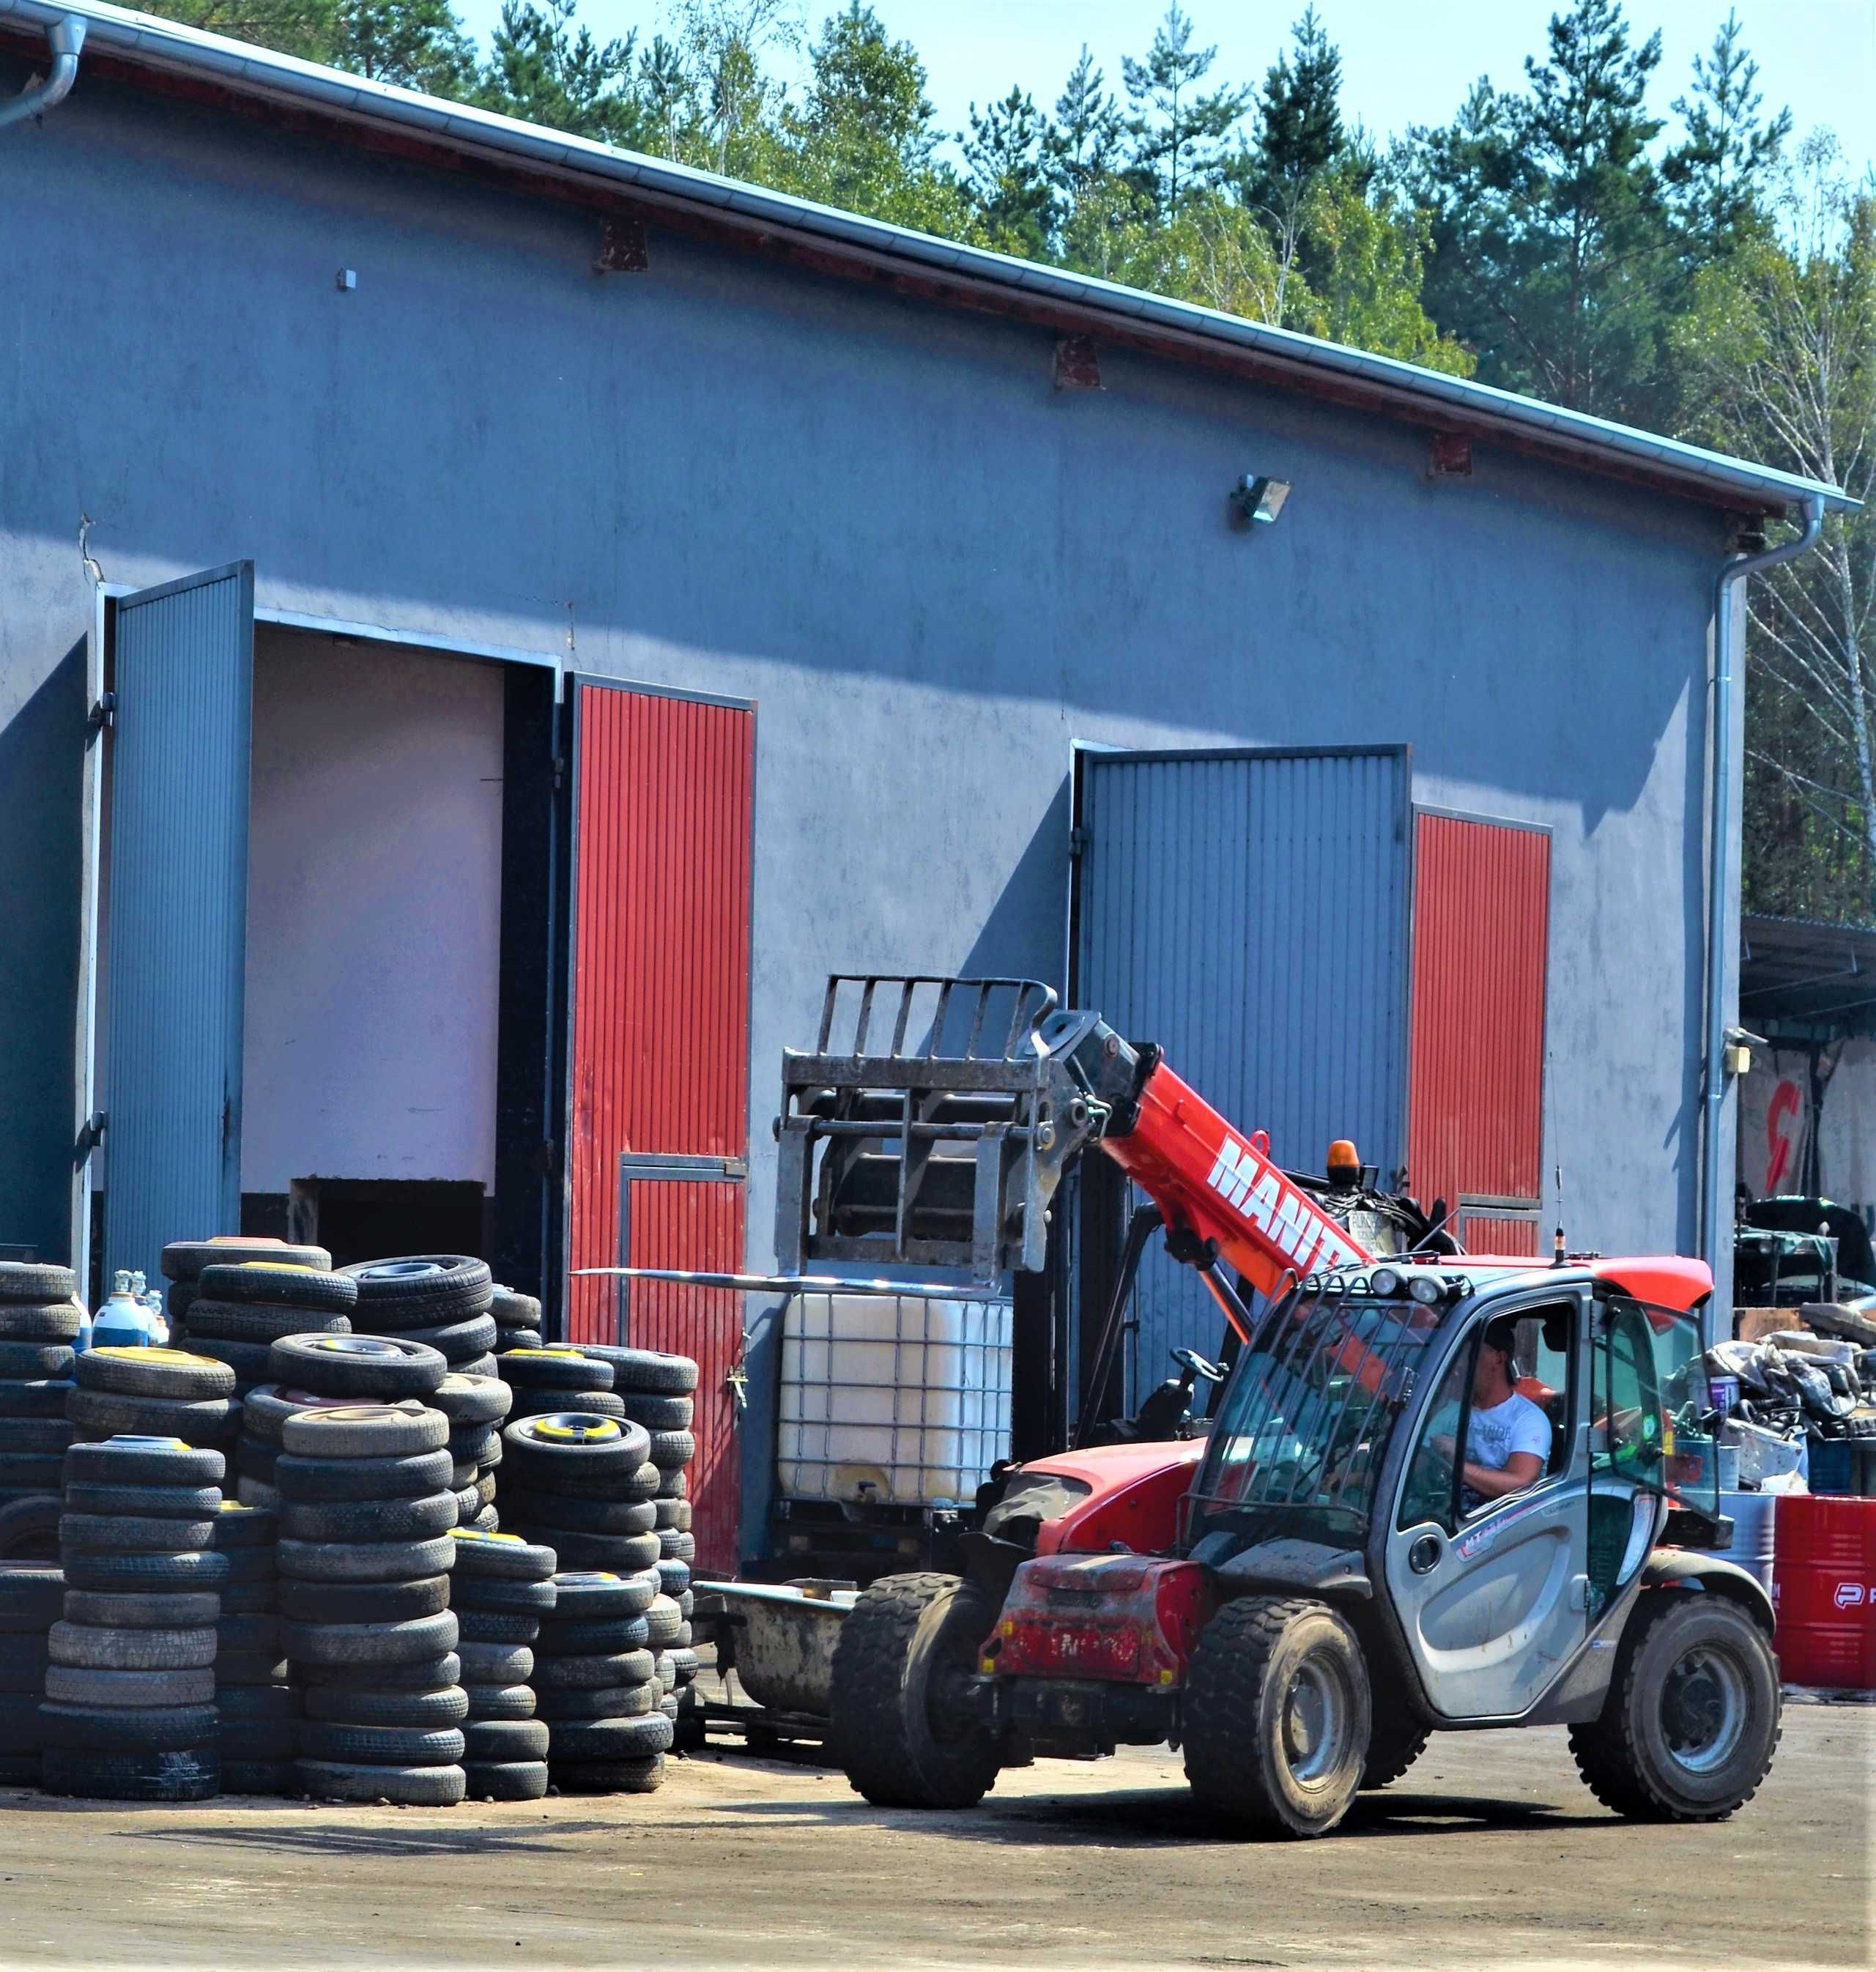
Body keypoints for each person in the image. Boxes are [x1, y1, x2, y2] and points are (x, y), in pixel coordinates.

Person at [1433, 1316, 1552, 1512]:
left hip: (1502, 1527)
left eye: (1469, 1355)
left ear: (1498, 1358)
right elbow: (1418, 1470)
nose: (1461, 1365)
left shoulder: (1528, 1420)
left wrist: (1455, 1461)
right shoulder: (1449, 1414)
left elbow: (1519, 1484)